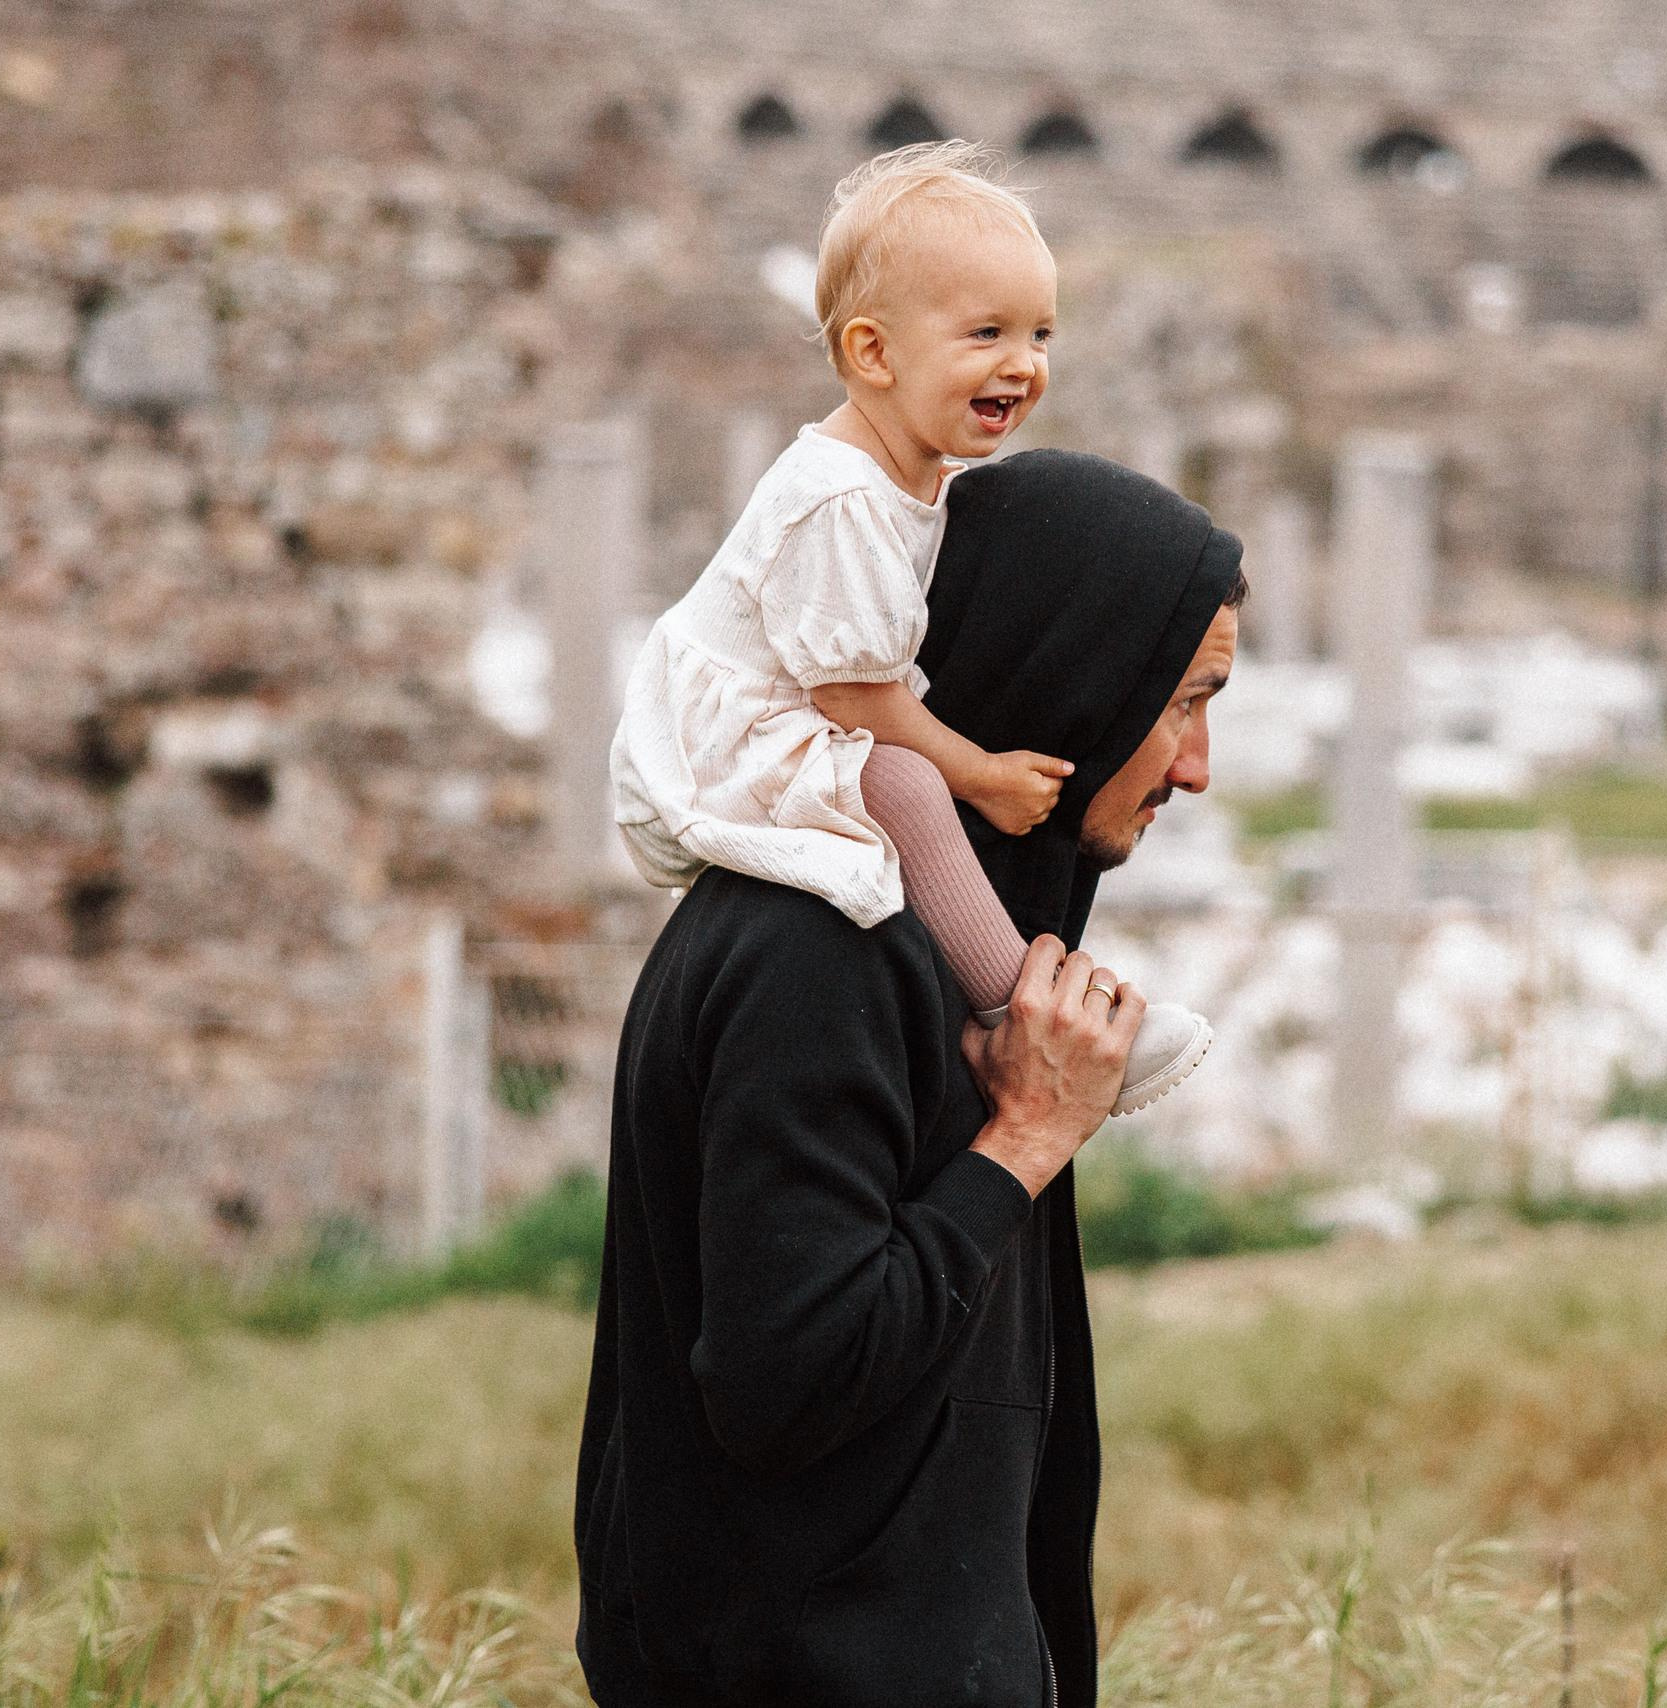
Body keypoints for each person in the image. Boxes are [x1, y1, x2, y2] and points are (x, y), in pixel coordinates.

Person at [574, 447, 1246, 1708]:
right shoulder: (824, 946)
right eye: (1181, 703)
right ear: (1076, 682)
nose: (1197, 764)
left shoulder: (929, 952)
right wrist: (1024, 1141)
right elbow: (790, 1381)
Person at [608, 140, 1212, 1117]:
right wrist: (979, 772)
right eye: (985, 333)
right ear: (874, 354)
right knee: (908, 785)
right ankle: (1020, 1010)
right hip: (728, 737)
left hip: (793, 710)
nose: (1022, 363)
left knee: (905, 781)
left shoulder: (915, 475)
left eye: (1041, 334)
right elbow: (854, 696)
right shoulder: (840, 496)